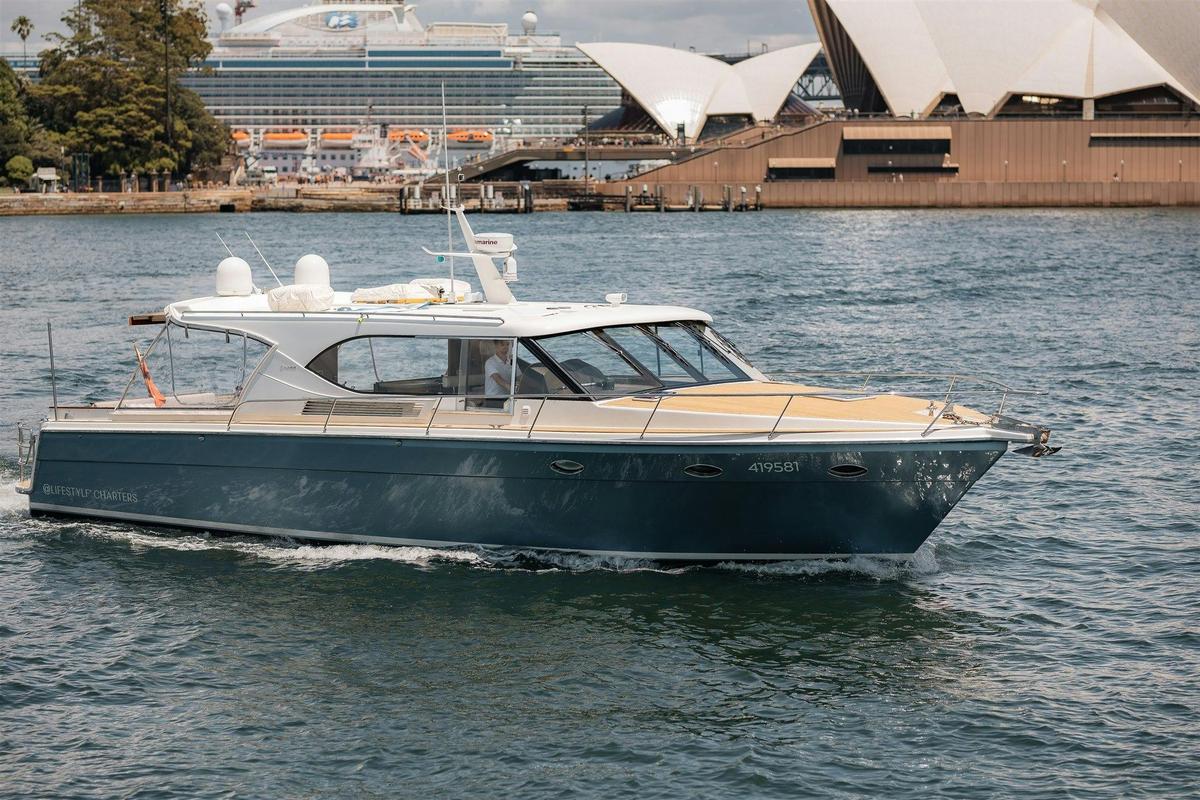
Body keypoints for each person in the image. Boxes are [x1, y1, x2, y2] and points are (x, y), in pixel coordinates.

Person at [483, 339, 514, 408]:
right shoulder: (490, 362)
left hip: (509, 398)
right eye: (502, 344)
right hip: (494, 400)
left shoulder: (512, 362)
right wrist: (512, 388)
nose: (505, 347)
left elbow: (520, 376)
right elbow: (497, 379)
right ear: (496, 346)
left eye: (507, 344)